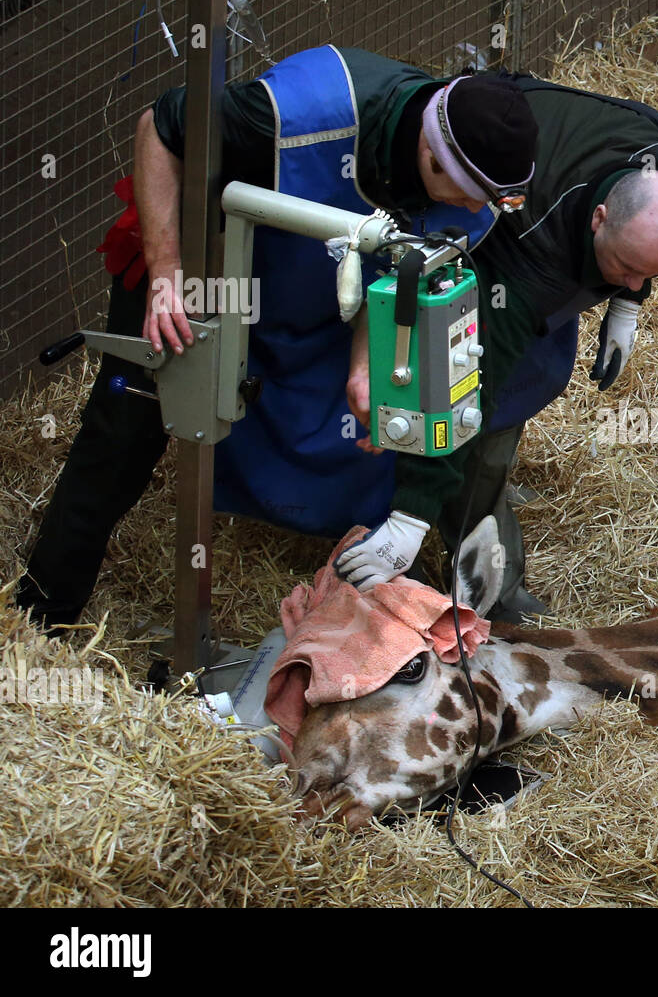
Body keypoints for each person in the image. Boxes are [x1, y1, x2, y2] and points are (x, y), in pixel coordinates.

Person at [16, 45, 538, 630]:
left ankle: (371, 603)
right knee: (126, 430)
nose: (473, 209)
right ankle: (42, 614)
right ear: (431, 155)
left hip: (303, 276)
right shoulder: (301, 115)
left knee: (371, 412)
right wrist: (166, 273)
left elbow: (393, 267)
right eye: (467, 194)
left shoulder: (461, 169)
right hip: (199, 261)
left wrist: (365, 368)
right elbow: (158, 126)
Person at [333, 76, 658, 620]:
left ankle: (483, 502)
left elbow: (647, 237)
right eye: (628, 268)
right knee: (485, 409)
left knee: (538, 369)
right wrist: (409, 519)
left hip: (556, 182)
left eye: (648, 272)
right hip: (491, 196)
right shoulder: (530, 255)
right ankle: (475, 565)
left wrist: (629, 301)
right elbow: (469, 388)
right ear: (598, 219)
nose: (636, 281)